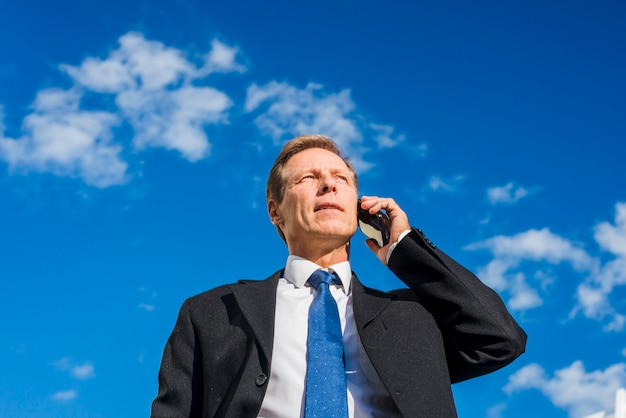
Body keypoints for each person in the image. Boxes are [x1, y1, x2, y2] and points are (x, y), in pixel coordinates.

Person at [151, 134, 527, 418]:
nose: (329, 184)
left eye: (341, 179)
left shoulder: (412, 317)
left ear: (358, 207)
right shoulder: (211, 312)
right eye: (308, 178)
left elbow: (499, 339)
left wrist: (404, 247)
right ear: (275, 212)